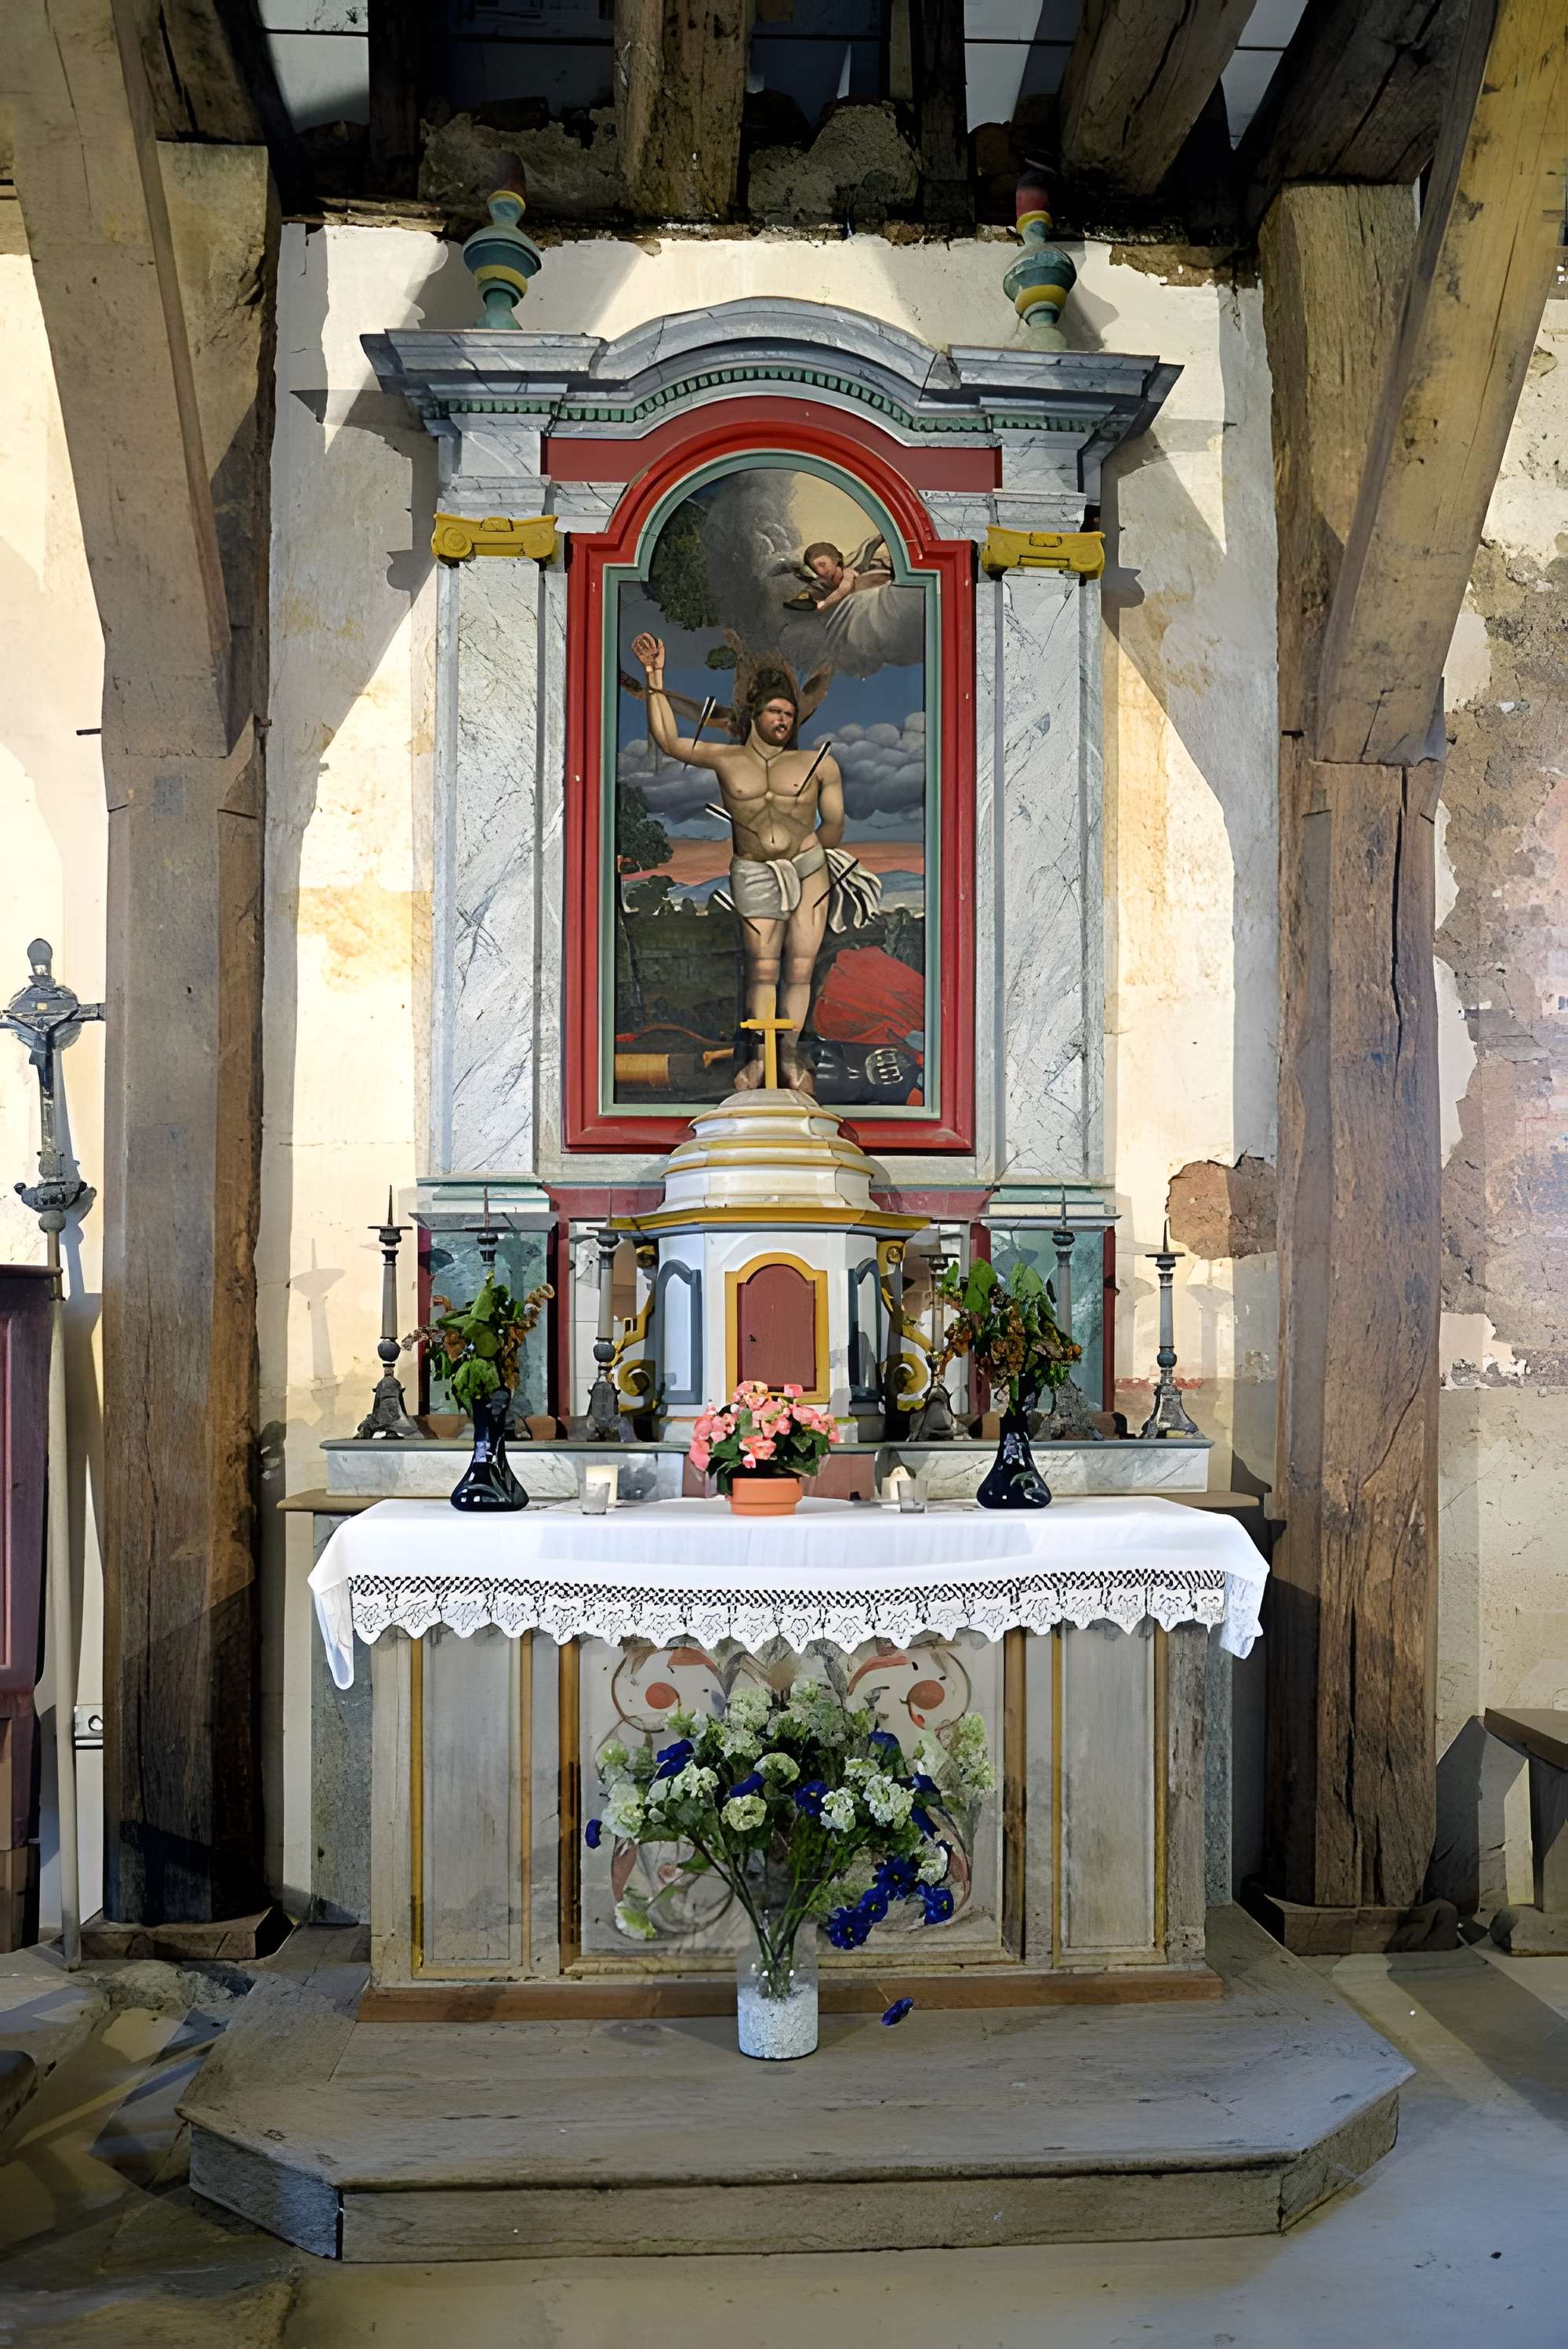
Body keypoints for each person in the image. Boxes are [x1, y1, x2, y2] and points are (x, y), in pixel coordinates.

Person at [631, 632, 844, 1092]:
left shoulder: (817, 763)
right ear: (755, 716)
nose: (783, 719)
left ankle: (789, 1058)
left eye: (789, 713)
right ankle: (762, 1061)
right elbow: (668, 740)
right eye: (775, 711)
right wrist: (655, 676)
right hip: (753, 871)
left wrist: (810, 854)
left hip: (807, 870)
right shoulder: (727, 759)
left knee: (801, 966)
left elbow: (835, 824)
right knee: (763, 968)